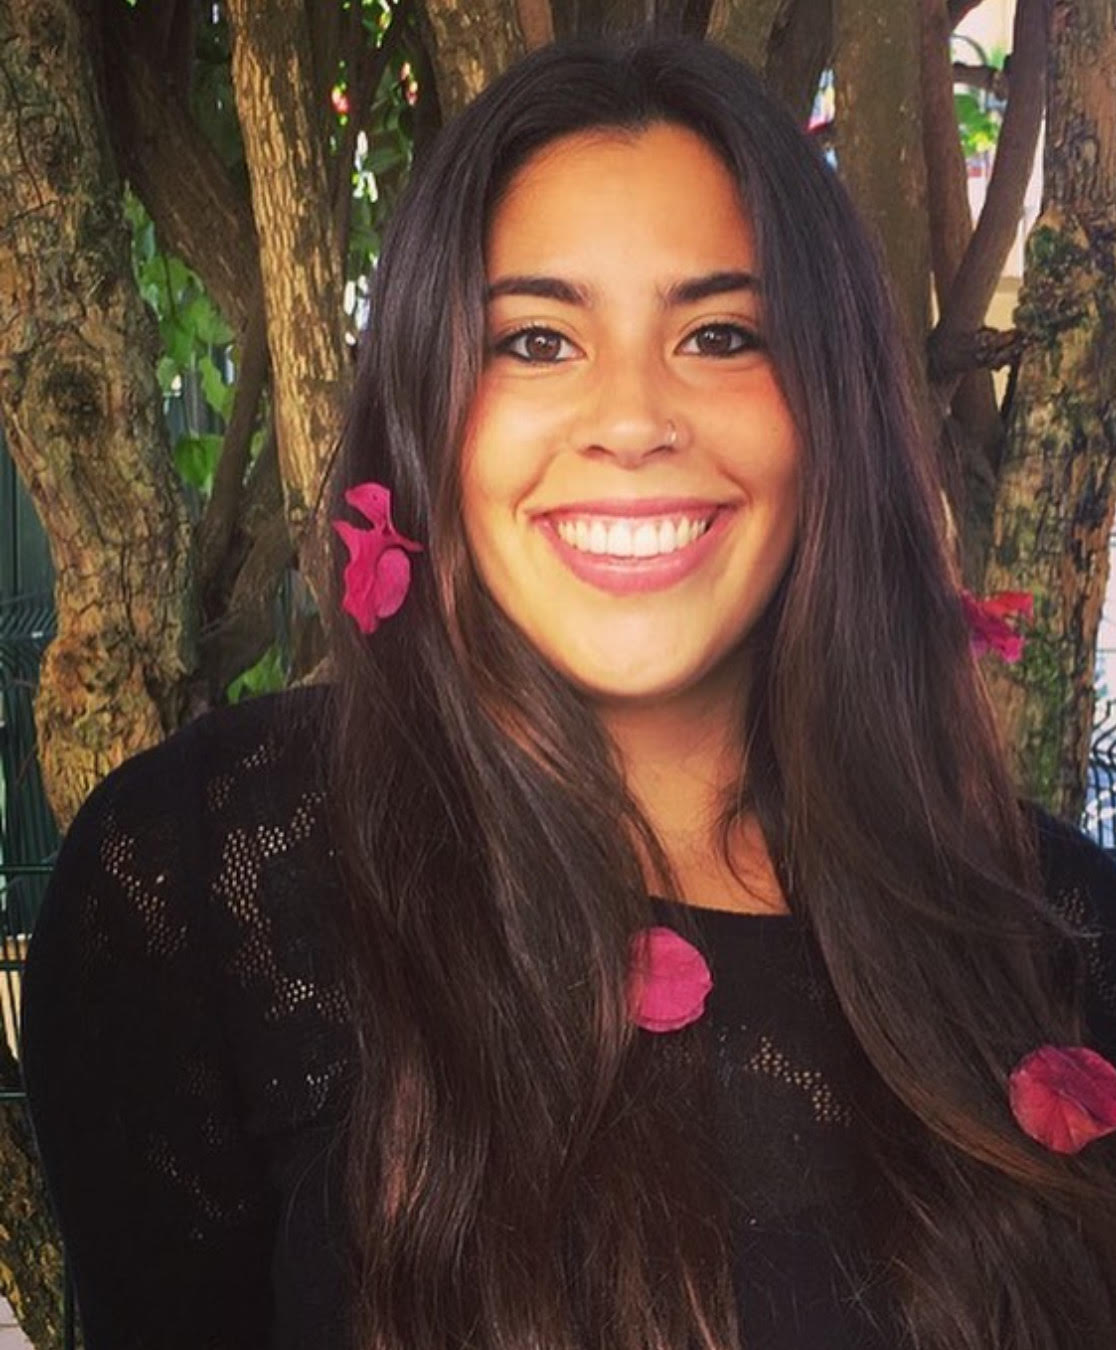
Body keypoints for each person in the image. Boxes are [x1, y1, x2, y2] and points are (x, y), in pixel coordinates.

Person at [20, 32, 1116, 1350]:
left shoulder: (1063, 942)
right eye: (537, 340)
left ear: (833, 411)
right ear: (426, 411)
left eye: (721, 334)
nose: (634, 420)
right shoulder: (211, 885)